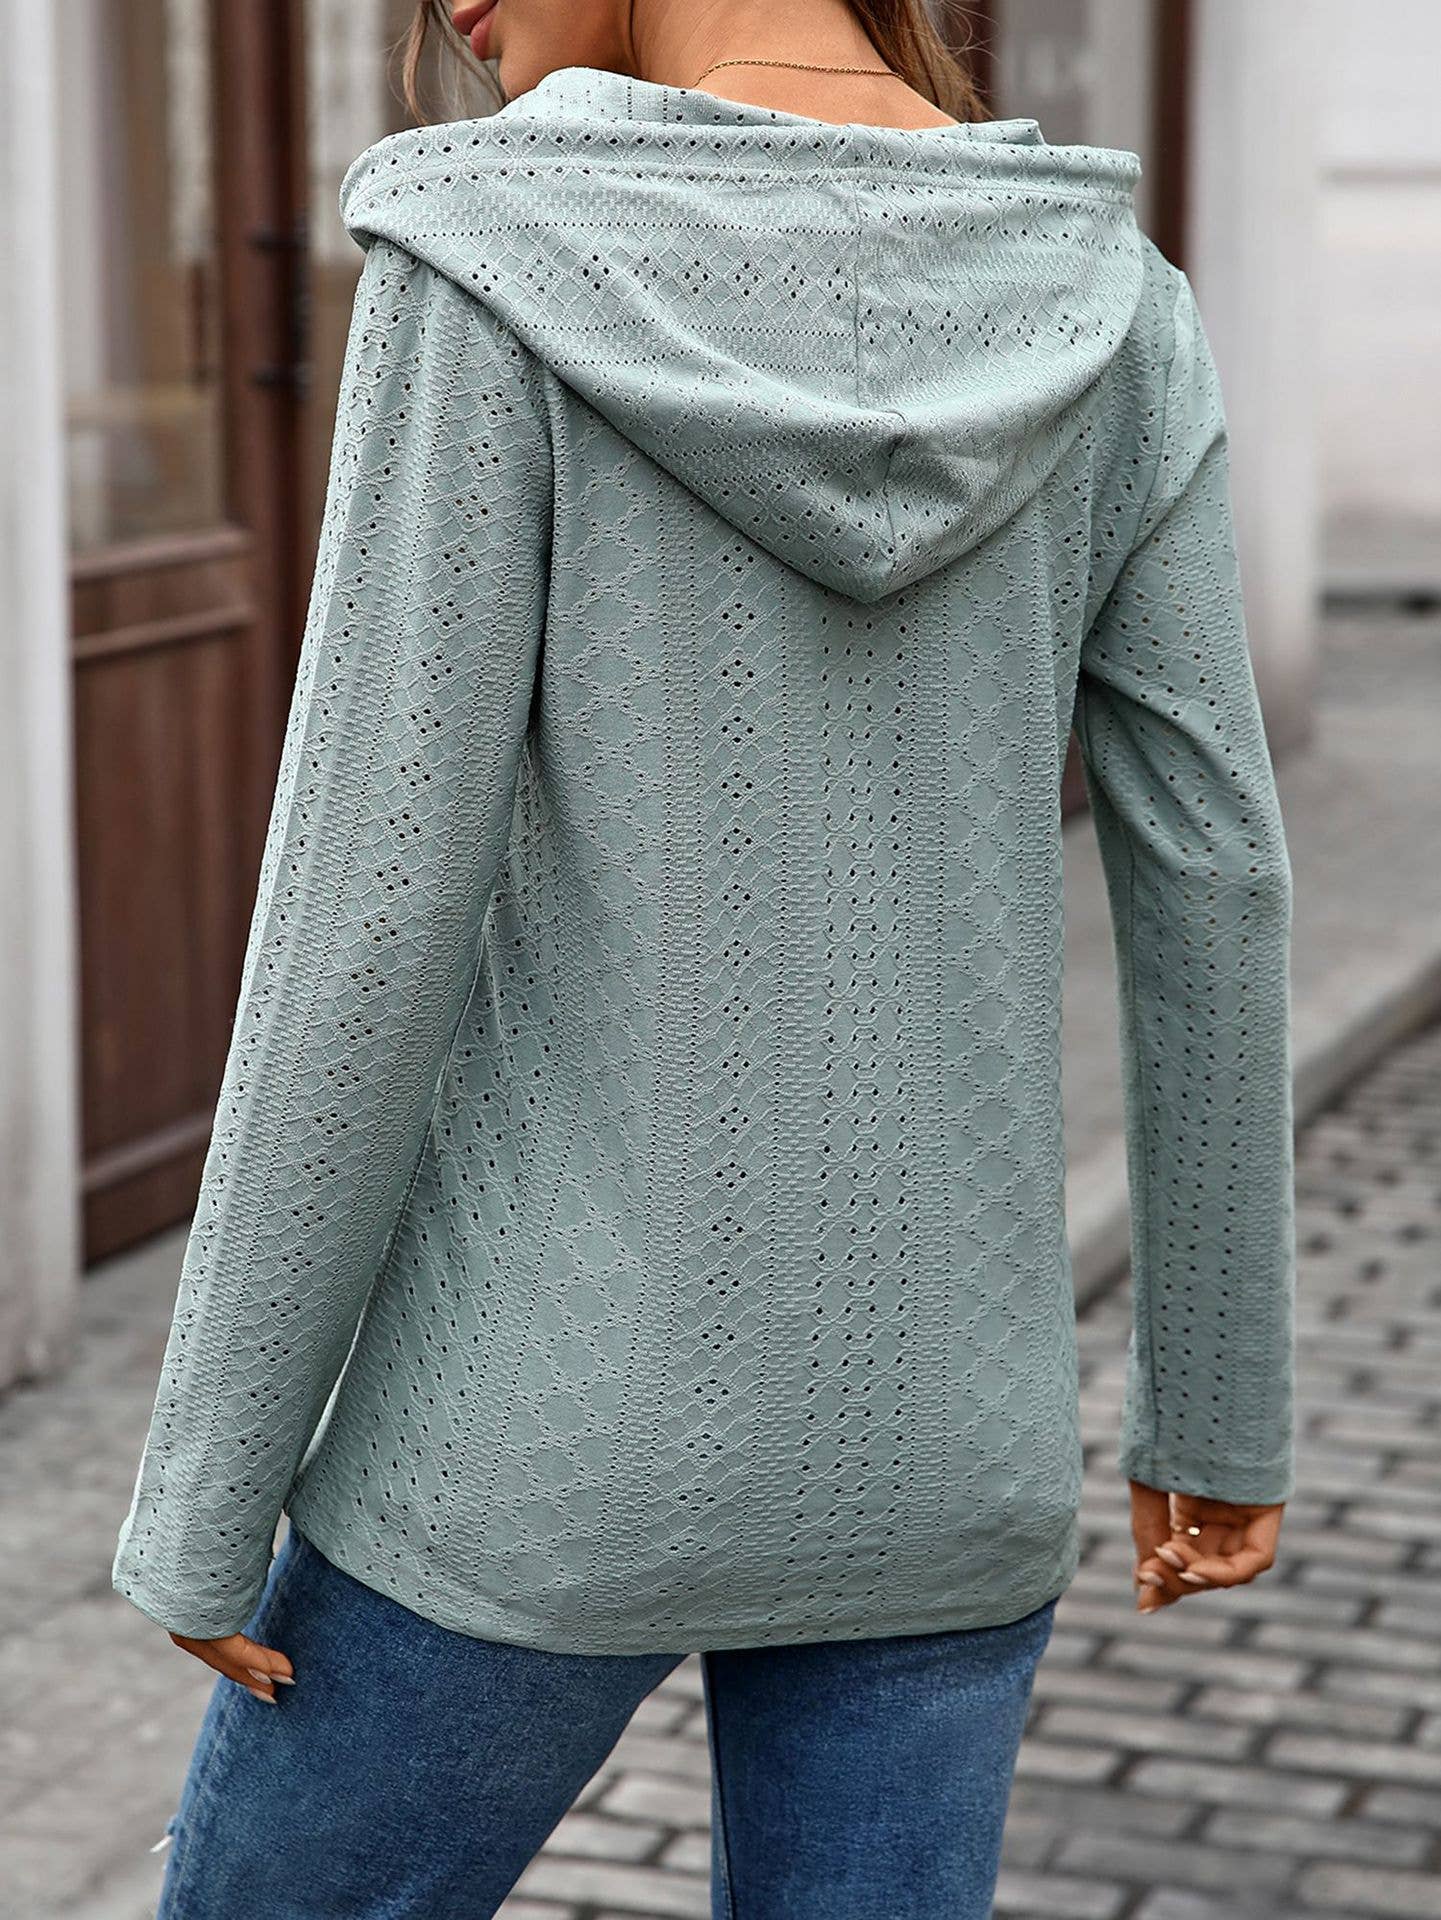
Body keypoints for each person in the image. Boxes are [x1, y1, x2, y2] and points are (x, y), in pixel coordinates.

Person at [112, 0, 1296, 1914]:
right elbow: (1214, 871)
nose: (449, 4)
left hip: (528, 1443)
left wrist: (204, 1483)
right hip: (945, 1442)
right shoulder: (1108, 298)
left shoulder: (490, 258)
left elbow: (369, 906)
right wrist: (1221, 1411)